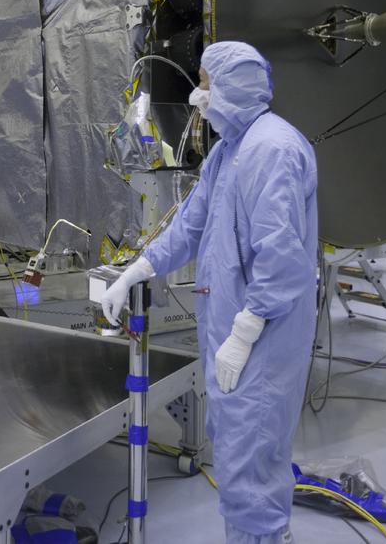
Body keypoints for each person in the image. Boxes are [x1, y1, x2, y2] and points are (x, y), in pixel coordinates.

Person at [100, 42, 318, 544]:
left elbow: (281, 258)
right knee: (238, 456)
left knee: (253, 467)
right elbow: (190, 225)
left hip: (263, 339)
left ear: (233, 88)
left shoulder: (273, 150)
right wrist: (138, 269)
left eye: (205, 84)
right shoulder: (229, 150)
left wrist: (245, 331)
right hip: (233, 333)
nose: (198, 97)